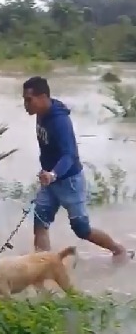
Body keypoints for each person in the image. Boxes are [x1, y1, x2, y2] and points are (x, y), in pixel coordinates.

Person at [22, 76, 132, 262]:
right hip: (50, 180)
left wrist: (53, 173)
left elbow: (70, 155)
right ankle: (42, 268)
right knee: (40, 223)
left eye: (28, 100)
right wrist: (47, 173)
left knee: (81, 229)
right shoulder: (41, 113)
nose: (25, 105)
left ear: (42, 97)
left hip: (69, 181)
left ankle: (119, 251)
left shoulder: (59, 122)